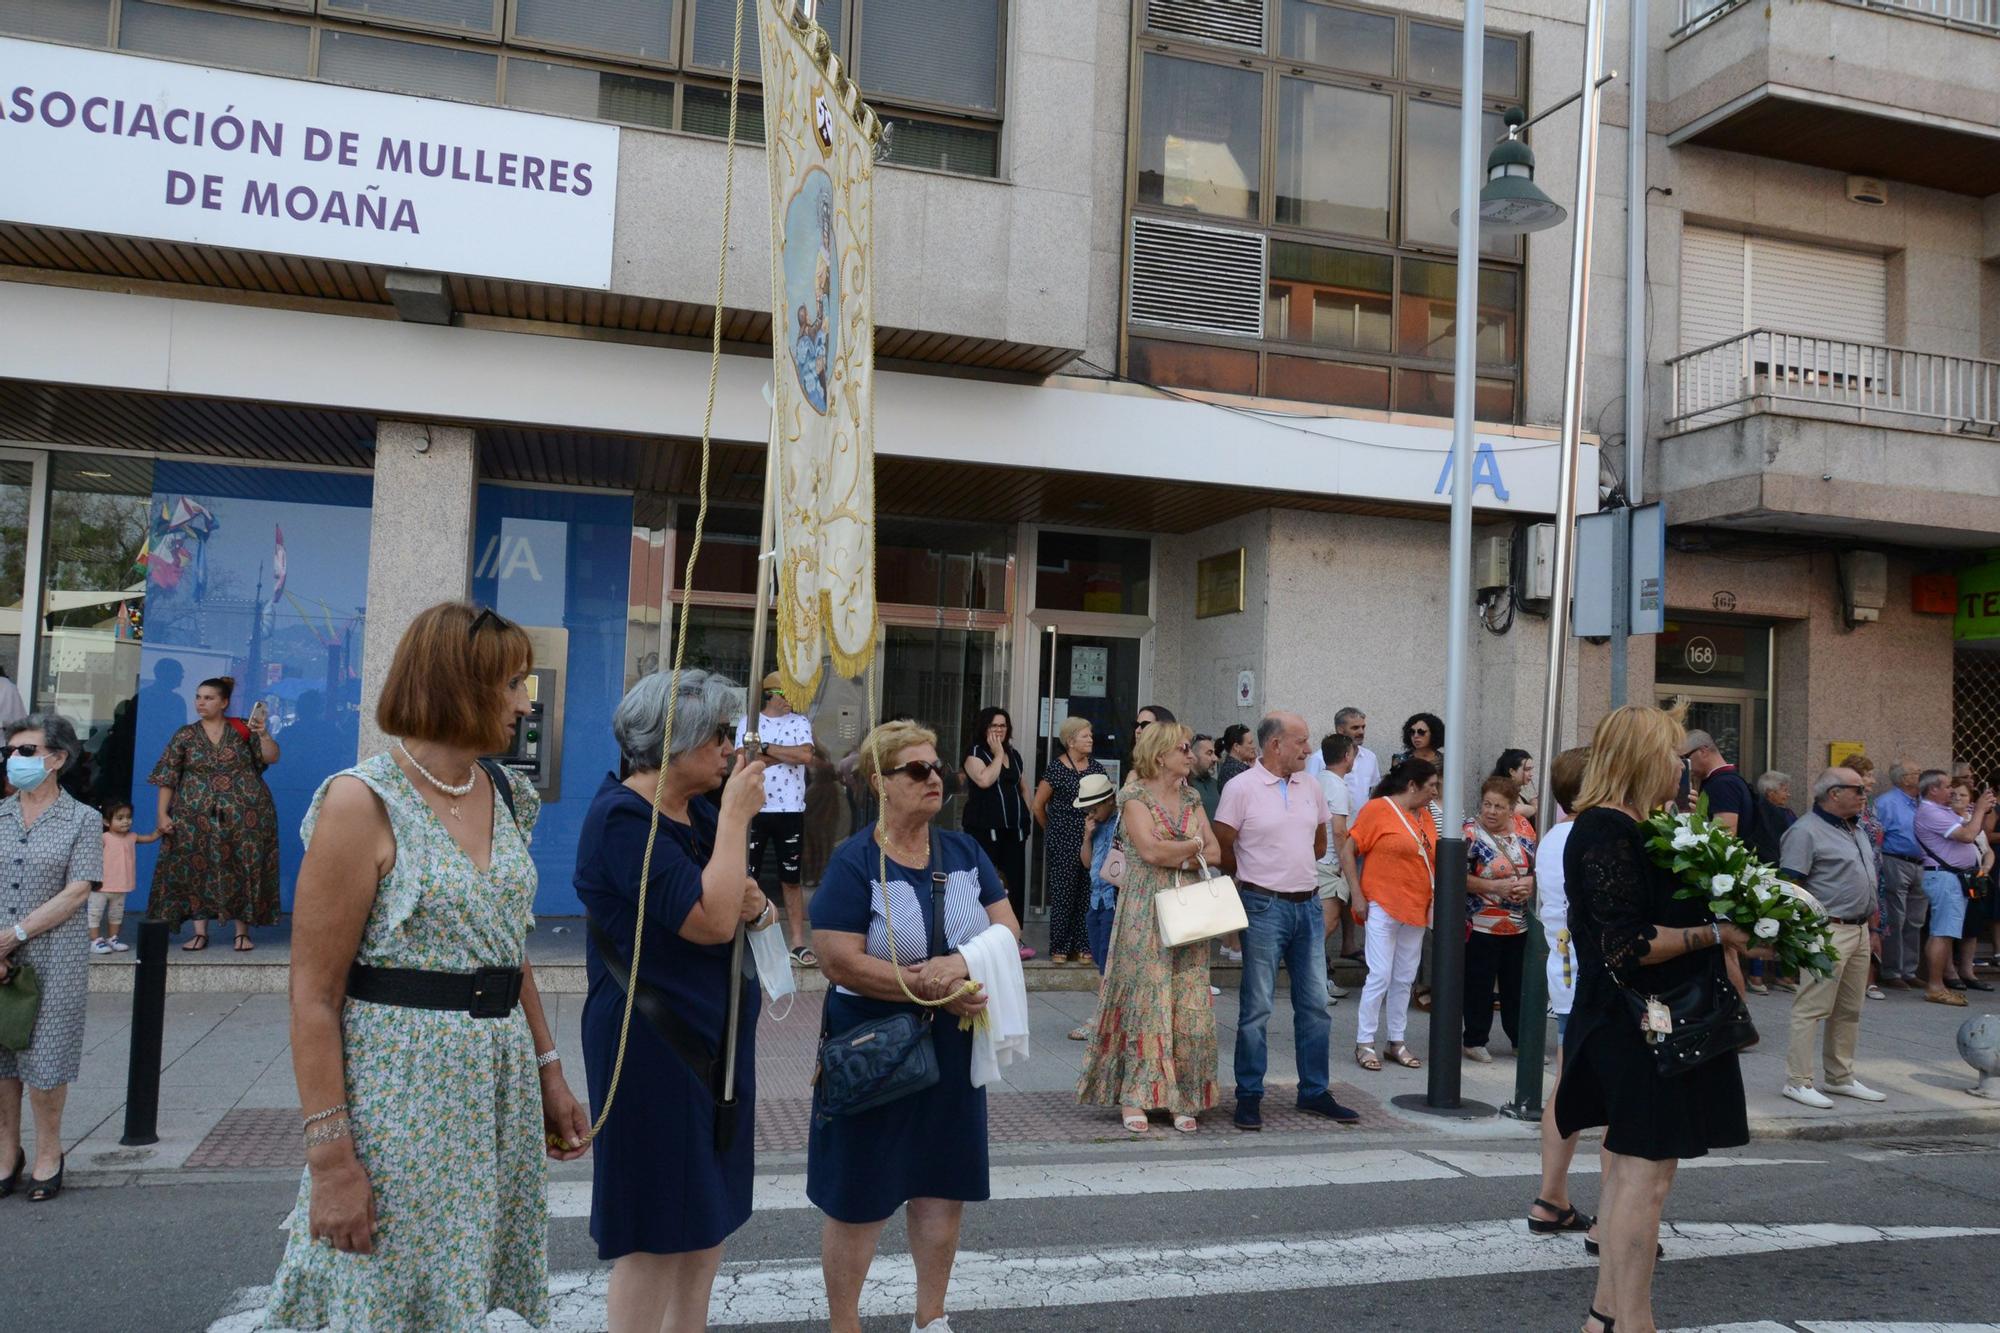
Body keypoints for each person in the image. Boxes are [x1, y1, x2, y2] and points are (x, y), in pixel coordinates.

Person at [265, 602, 589, 1328]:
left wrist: (550, 1069)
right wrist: (331, 1162)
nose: (525, 701)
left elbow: (510, 944)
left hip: (495, 1090)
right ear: (457, 686)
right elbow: (313, 996)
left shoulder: (505, 793)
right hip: (402, 1098)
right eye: (511, 683)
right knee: (382, 1296)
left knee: (460, 1294)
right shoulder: (361, 801)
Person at [1557, 704, 1769, 1333]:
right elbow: (1627, 943)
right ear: (1644, 758)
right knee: (1641, 1180)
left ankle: (1606, 1316)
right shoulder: (1605, 831)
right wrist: (1717, 932)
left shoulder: (1636, 828)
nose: (1682, 771)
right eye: (1672, 757)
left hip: (1650, 1023)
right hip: (1637, 1025)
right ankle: (1635, 1322)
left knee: (1635, 1174)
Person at [808, 720, 1020, 1333]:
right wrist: (924, 986)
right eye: (916, 770)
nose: (935, 779)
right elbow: (837, 959)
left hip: (952, 1047)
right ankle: (844, 1324)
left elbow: (1007, 931)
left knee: (940, 1188)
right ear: (880, 783)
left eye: (939, 768)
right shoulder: (855, 862)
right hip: (873, 1046)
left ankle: (931, 1318)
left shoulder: (964, 851)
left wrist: (959, 964)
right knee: (859, 1197)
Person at [578, 669, 772, 1332]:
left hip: (713, 1041)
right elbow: (710, 920)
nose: (729, 747)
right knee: (655, 1230)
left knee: (704, 1220)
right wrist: (742, 821)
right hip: (652, 1046)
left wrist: (761, 902)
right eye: (718, 733)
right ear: (672, 740)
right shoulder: (622, 821)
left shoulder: (702, 813)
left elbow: (742, 903)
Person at [1216, 711, 1355, 1129]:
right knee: (1256, 1008)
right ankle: (1249, 1095)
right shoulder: (1240, 788)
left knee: (1314, 1006)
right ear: (1276, 744)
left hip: (1308, 905)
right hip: (1263, 906)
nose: (1309, 749)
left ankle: (1313, 1091)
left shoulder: (1311, 785)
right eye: (1302, 741)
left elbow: (1316, 844)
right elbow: (1224, 848)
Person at [1079, 722, 1220, 1134]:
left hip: (1186, 905)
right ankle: (1136, 1096)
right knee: (1147, 1001)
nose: (1191, 755)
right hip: (1145, 911)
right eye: (1183, 749)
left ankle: (1180, 1096)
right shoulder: (1133, 796)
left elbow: (1215, 849)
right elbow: (1149, 850)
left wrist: (1185, 852)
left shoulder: (1192, 796)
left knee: (1185, 1001)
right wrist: (1191, 848)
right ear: (1160, 755)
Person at [0, 714, 102, 1202]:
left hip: (54, 957)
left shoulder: (83, 819)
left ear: (56, 759)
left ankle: (48, 1152)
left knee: (45, 1060)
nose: (14, 758)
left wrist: (13, 936)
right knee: (2, 1062)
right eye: (11, 750)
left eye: (26, 750)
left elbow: (79, 890)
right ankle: (6, 1153)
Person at [147, 675, 281, 952]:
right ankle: (199, 931)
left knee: (243, 864)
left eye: (208, 698)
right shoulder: (185, 734)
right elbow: (168, 776)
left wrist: (263, 733)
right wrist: (162, 814)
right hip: (194, 815)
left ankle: (241, 932)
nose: (201, 702)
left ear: (224, 702)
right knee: (197, 866)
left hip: (246, 814)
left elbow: (271, 757)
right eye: (198, 697)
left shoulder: (244, 729)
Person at [1779, 768, 1887, 1110]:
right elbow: (1789, 885)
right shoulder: (1805, 831)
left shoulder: (1855, 828)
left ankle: (1840, 1077)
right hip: (1826, 929)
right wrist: (1800, 934)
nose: (1864, 794)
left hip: (1858, 930)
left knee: (1850, 1009)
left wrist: (1872, 927)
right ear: (1833, 793)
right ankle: (1798, 1081)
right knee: (1811, 1007)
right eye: (1857, 789)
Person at [1526, 747, 1598, 1248]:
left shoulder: (1554, 836)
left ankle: (1551, 1198)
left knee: (1565, 1085)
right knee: (1618, 1098)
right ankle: (1616, 1220)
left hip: (1567, 974)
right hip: (1591, 978)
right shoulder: (1588, 837)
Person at [1345, 758, 1440, 1073]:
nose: (1435, 792)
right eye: (1431, 786)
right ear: (1412, 785)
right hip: (1383, 902)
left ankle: (1396, 1041)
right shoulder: (1377, 809)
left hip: (1416, 905)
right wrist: (1357, 894)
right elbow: (1349, 851)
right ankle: (1365, 1041)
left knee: (1404, 977)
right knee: (1380, 974)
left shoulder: (1425, 816)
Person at [737, 672, 816, 968]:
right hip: (755, 807)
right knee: (748, 876)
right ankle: (743, 938)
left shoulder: (800, 722)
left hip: (791, 809)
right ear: (773, 694)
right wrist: (784, 754)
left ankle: (797, 942)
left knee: (791, 879)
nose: (792, 700)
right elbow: (744, 759)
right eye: (788, 693)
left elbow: (805, 756)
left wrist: (766, 749)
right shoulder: (750, 723)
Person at [1463, 775, 1536, 1062]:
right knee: (1479, 984)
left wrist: (1529, 884)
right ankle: (1475, 1040)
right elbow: (1455, 876)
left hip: (1518, 923)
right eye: (1487, 805)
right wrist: (1494, 886)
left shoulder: (1525, 829)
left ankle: (1520, 1040)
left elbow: (1535, 867)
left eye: (1499, 806)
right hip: (1481, 922)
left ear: (1512, 808)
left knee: (1517, 985)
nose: (1491, 811)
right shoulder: (1469, 832)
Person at [962, 706, 1034, 960]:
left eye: (1003, 726)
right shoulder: (975, 754)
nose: (999, 730)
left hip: (1013, 831)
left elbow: (1022, 787)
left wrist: (1024, 814)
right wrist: (997, 753)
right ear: (984, 728)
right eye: (994, 726)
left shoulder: (1013, 755)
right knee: (988, 882)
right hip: (984, 830)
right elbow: (984, 780)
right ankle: (983, 936)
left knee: (1015, 883)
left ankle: (1015, 937)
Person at [1913, 768, 1989, 1007]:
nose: (1952, 792)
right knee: (1942, 932)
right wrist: (1978, 810)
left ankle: (1939, 984)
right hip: (1944, 877)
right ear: (1933, 789)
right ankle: (1935, 986)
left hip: (1953, 878)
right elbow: (1967, 835)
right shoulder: (1930, 812)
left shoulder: (1943, 810)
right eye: (1947, 787)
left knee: (1947, 932)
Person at [1033, 715, 1105, 965]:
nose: (1090, 739)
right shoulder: (1056, 768)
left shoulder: (1096, 768)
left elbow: (1106, 801)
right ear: (1071, 741)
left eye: (1090, 735)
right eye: (1085, 736)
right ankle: (1060, 947)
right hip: (1062, 841)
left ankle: (1084, 945)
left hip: (1091, 838)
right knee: (1063, 894)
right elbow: (1038, 805)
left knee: (1087, 892)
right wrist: (1052, 830)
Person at [1067, 772, 1121, 1043]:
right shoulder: (1096, 825)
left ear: (1110, 800)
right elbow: (1087, 863)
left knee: (1108, 963)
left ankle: (1101, 1017)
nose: (1091, 812)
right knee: (1101, 960)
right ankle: (1107, 1015)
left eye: (1095, 807)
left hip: (1114, 899)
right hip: (1097, 899)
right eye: (1088, 807)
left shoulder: (1122, 822)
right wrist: (1087, 836)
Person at [1873, 759, 1929, 990]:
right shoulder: (1886, 803)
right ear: (1904, 779)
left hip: (1922, 863)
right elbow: (1877, 835)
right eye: (1917, 772)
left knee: (1915, 920)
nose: (1921, 775)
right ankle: (1891, 971)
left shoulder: (1922, 801)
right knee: (1896, 918)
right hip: (1896, 861)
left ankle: (1910, 970)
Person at [1945, 778, 1996, 992]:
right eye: (1954, 794)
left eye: (1963, 795)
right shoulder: (1944, 819)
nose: (1958, 798)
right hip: (1953, 879)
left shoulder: (1971, 818)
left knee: (1972, 928)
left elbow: (1987, 849)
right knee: (1948, 929)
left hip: (1975, 880)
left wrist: (1985, 868)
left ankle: (1968, 971)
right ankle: (1949, 972)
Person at [89, 802, 159, 954]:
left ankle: (113, 938)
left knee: (116, 915)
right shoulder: (104, 838)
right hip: (101, 886)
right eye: (120, 818)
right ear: (106, 822)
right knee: (95, 913)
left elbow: (150, 838)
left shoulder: (132, 837)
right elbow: (90, 856)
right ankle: (94, 940)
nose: (126, 821)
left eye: (128, 817)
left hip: (122, 886)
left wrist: (160, 831)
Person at [1316, 732, 1359, 977]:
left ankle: (1319, 978)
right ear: (1346, 756)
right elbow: (1340, 831)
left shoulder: (1318, 779)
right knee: (1328, 921)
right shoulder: (1337, 786)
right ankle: (1311, 974)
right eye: (1353, 754)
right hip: (1330, 864)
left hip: (1318, 860)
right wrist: (1346, 864)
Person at [1847, 754, 1889, 1001]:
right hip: (1857, 871)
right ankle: (1855, 980)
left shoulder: (1870, 803)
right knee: (1859, 923)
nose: (1873, 779)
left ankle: (1870, 980)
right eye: (1868, 774)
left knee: (1875, 925)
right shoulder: (1845, 805)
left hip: (1875, 869)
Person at [1335, 708, 1380, 818]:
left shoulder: (1370, 757)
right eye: (1355, 728)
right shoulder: (1320, 758)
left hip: (1362, 827)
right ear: (1340, 730)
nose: (1361, 732)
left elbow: (1373, 791)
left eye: (1363, 727)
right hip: (1332, 829)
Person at [1494, 747, 1537, 826]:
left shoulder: (1519, 796)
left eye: (1531, 769)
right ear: (1512, 771)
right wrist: (1535, 807)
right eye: (1527, 769)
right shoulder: (1498, 792)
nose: (1531, 774)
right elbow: (1510, 810)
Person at [1190, 733, 1222, 820]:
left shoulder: (1215, 784)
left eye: (1214, 753)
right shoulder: (1185, 785)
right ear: (1193, 756)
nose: (1215, 758)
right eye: (1209, 753)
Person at [1215, 723, 1255, 789]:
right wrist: (1254, 771)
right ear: (1236, 747)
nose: (1253, 747)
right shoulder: (1231, 771)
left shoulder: (1239, 768)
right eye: (1250, 743)